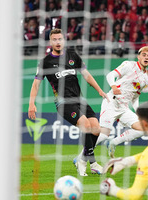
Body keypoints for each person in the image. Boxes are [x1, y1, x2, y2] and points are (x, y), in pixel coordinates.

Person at [28, 28, 109, 176]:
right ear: (50, 42)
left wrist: (99, 90)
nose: (58, 42)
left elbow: (86, 75)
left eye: (60, 39)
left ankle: (82, 158)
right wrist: (31, 104)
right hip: (63, 102)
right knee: (85, 124)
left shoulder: (73, 56)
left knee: (96, 128)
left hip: (79, 100)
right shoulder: (45, 62)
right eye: (55, 40)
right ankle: (91, 163)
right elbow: (36, 84)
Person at [93, 46, 148, 158]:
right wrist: (113, 86)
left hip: (124, 108)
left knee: (143, 128)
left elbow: (135, 97)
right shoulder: (129, 65)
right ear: (138, 56)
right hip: (111, 102)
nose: (146, 57)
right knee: (104, 134)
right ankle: (81, 156)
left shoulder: (145, 78)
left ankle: (113, 143)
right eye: (144, 55)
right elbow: (110, 75)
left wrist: (138, 112)